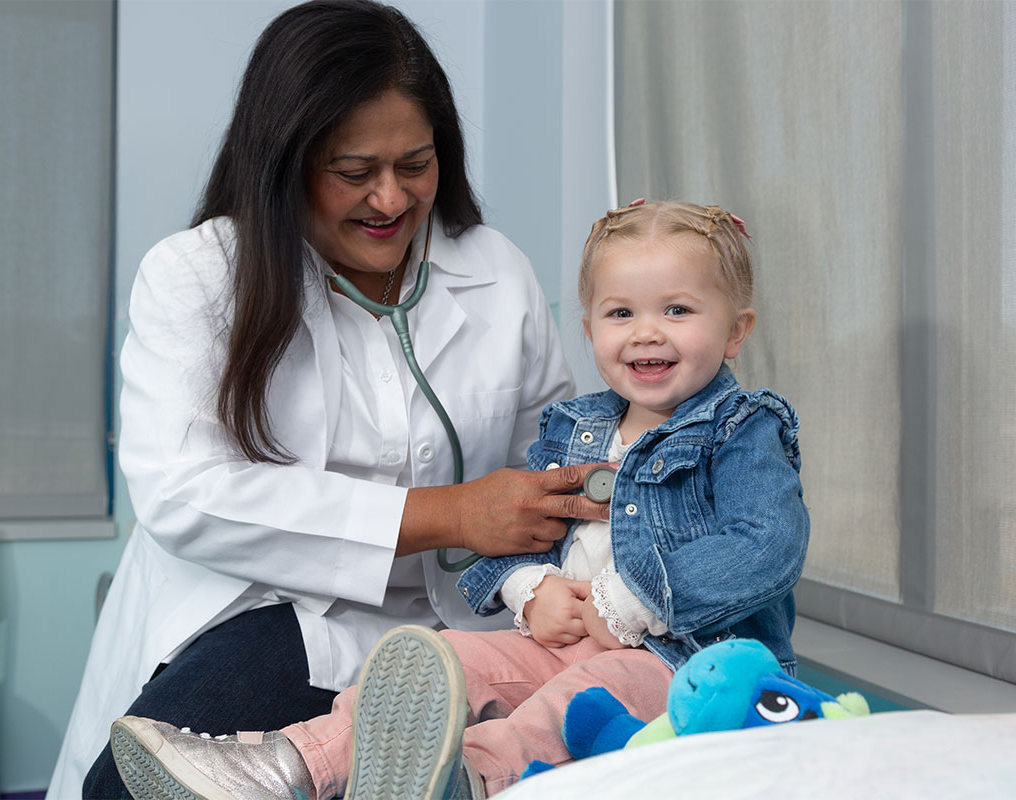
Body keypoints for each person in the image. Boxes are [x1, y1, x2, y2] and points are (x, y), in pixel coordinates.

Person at [48, 2, 616, 797]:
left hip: (464, 623)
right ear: (284, 162)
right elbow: (186, 493)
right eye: (353, 173)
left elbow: (545, 459)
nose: (390, 200)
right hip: (278, 613)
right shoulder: (199, 274)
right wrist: (451, 513)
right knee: (130, 790)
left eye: (415, 165)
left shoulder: (494, 269)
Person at [106, 201, 811, 799]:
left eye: (678, 310)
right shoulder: (577, 427)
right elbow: (512, 533)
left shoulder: (743, 429)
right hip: (553, 640)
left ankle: (461, 779)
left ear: (736, 331)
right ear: (591, 328)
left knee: (580, 698)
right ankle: (282, 765)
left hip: (684, 660)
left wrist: (633, 599)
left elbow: (765, 546)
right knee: (442, 668)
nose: (647, 331)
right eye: (621, 311)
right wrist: (528, 587)